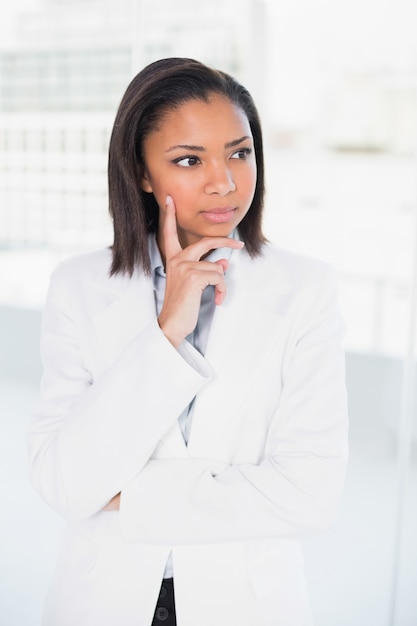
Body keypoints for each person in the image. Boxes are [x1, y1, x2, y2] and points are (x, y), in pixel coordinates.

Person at [28, 57, 349, 626]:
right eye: (188, 160)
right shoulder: (79, 287)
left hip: (247, 605)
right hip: (99, 603)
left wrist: (126, 495)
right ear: (142, 173)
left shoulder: (306, 289)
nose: (223, 181)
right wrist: (166, 331)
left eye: (239, 152)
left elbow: (310, 492)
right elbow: (63, 482)